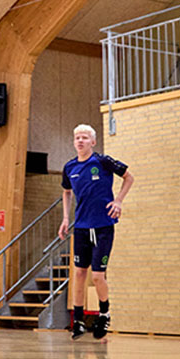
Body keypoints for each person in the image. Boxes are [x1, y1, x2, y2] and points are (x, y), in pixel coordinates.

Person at [59, 124, 134, 340]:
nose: (80, 141)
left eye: (84, 137)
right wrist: (66, 218)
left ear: (93, 141)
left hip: (102, 226)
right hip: (82, 227)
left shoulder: (102, 162)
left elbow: (129, 177)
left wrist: (118, 201)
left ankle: (104, 314)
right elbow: (66, 192)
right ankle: (78, 321)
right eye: (77, 137)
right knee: (79, 274)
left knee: (98, 276)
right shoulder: (69, 167)